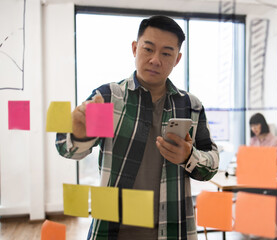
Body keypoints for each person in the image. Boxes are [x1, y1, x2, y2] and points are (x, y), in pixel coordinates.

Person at [55, 15, 219, 240]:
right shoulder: (109, 97)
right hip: (112, 230)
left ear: (177, 59)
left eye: (166, 53)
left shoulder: (190, 105)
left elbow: (212, 164)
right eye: (148, 49)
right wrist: (79, 135)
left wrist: (189, 156)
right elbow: (67, 149)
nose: (155, 60)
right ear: (135, 48)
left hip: (173, 228)